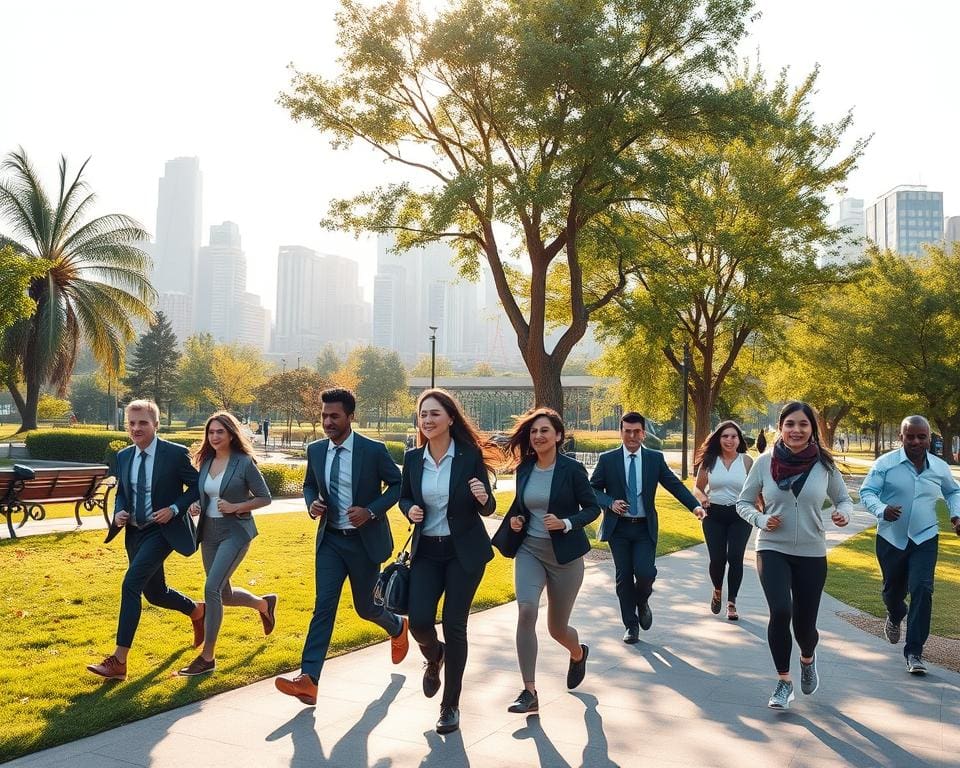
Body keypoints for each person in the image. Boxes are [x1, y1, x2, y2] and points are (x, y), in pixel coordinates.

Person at [275, 388, 409, 704]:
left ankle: (396, 626)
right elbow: (310, 485)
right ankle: (309, 679)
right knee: (324, 606)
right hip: (331, 541)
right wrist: (312, 504)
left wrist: (371, 510)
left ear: (350, 417)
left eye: (334, 416)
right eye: (324, 415)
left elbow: (398, 484)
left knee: (365, 608)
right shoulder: (317, 450)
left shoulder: (372, 450)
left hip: (364, 543)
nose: (328, 422)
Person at [737, 401, 851, 710]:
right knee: (781, 611)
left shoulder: (824, 465)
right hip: (772, 548)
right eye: (789, 424)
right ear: (780, 427)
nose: (796, 430)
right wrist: (760, 519)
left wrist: (842, 513)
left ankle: (807, 658)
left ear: (812, 429)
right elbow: (743, 502)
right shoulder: (764, 462)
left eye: (803, 424)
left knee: (804, 625)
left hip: (812, 552)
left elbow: (844, 499)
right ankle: (783, 681)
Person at [400, 388, 497, 735]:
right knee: (420, 623)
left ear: (450, 419)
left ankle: (450, 706)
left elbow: (488, 507)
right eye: (423, 414)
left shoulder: (468, 456)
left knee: (455, 625)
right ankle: (434, 656)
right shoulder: (412, 459)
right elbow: (404, 497)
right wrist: (408, 508)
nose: (427, 420)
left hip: (464, 553)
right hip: (427, 551)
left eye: (434, 414)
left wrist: (484, 498)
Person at [491, 408, 600, 714]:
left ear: (558, 436)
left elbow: (592, 509)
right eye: (534, 432)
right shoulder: (525, 467)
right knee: (526, 611)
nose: (538, 436)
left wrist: (566, 523)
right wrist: (516, 521)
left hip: (565, 558)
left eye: (545, 431)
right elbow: (520, 507)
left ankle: (578, 653)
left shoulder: (572, 469)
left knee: (557, 629)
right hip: (530, 550)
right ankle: (529, 691)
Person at [87, 399, 204, 681]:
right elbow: (123, 491)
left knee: (130, 585)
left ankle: (118, 662)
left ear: (155, 425)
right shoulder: (124, 455)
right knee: (155, 593)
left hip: (162, 531)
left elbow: (198, 485)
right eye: (132, 423)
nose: (136, 428)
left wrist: (175, 508)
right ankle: (197, 610)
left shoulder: (175, 453)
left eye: (143, 423)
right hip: (134, 531)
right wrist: (118, 512)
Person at [590, 412, 707, 643]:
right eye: (627, 431)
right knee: (624, 577)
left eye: (636, 431)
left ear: (643, 433)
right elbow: (591, 490)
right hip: (619, 529)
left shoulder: (654, 458)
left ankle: (642, 600)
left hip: (644, 528)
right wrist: (610, 503)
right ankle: (630, 626)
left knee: (645, 573)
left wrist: (695, 507)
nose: (632, 436)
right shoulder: (608, 459)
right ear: (621, 432)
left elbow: (675, 485)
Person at [859, 415, 960, 675]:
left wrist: (956, 514)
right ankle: (895, 615)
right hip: (891, 537)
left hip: (925, 537)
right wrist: (882, 509)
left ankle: (914, 651)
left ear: (929, 438)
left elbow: (953, 491)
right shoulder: (886, 464)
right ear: (901, 437)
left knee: (922, 589)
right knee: (892, 593)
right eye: (910, 436)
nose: (916, 441)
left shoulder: (939, 467)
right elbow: (867, 492)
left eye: (921, 436)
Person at [180, 411, 275, 676]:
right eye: (211, 432)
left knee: (211, 588)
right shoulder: (206, 461)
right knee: (224, 594)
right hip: (209, 532)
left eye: (220, 432)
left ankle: (207, 657)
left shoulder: (243, 463)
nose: (214, 437)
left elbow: (265, 497)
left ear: (231, 434)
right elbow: (204, 494)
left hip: (235, 532)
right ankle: (264, 605)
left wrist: (236, 506)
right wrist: (197, 504)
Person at [693, 421, 754, 621]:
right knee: (718, 559)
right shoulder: (710, 461)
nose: (729, 440)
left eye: (733, 436)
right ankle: (717, 590)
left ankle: (732, 603)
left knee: (736, 557)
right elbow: (698, 487)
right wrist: (703, 499)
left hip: (740, 515)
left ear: (739, 440)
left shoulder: (747, 461)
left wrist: (762, 508)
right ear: (718, 439)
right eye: (725, 436)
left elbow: (755, 488)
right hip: (714, 515)